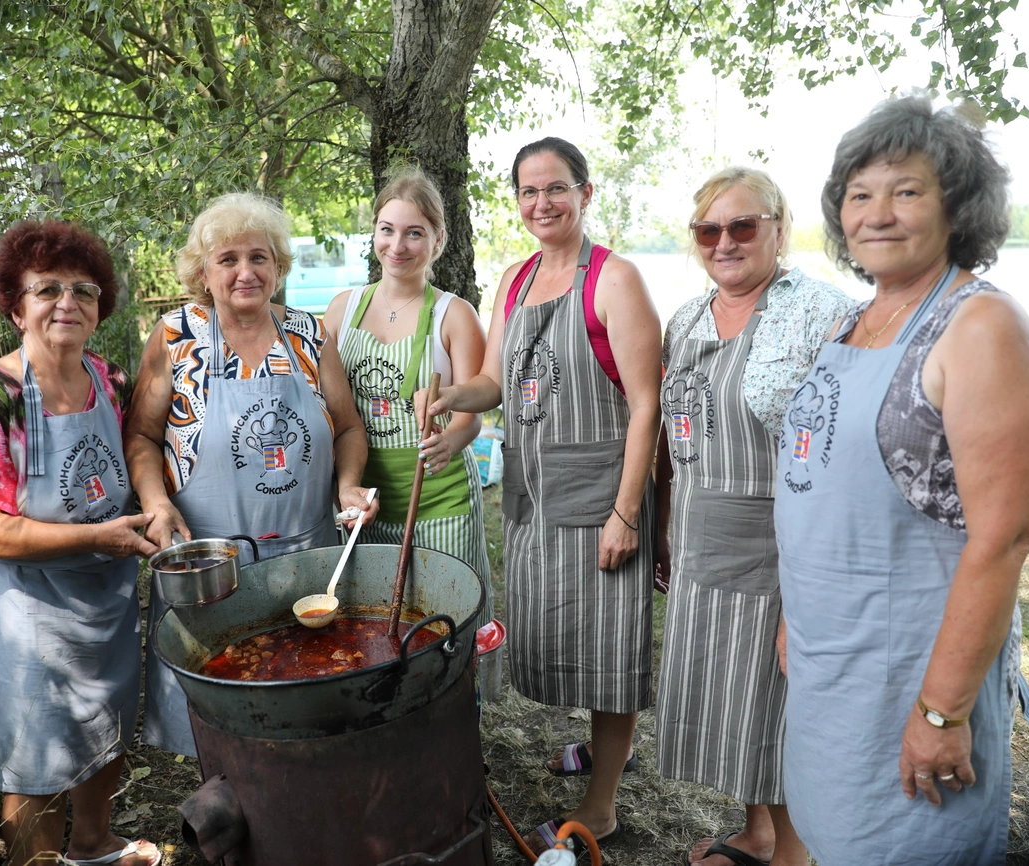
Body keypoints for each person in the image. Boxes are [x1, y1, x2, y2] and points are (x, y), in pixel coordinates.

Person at [773, 94, 1029, 865]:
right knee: (830, 834)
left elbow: (1003, 538)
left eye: (906, 191)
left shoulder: (980, 327)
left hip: (909, 673)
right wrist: (794, 617)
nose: (877, 213)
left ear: (955, 205)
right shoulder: (856, 321)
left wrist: (941, 713)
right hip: (831, 665)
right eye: (859, 194)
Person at [424, 137, 661, 850]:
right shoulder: (515, 279)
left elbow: (646, 404)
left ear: (585, 194)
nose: (542, 203)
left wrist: (626, 512)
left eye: (556, 188)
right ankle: (599, 751)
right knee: (570, 641)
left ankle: (604, 800)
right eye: (529, 192)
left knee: (611, 652)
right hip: (536, 499)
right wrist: (449, 393)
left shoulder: (615, 280)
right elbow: (493, 382)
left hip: (601, 503)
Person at [0, 220, 160, 866]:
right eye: (47, 290)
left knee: (105, 721)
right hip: (21, 604)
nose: (68, 302)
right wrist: (97, 535)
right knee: (33, 752)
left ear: (100, 309)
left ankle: (94, 844)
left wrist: (152, 508)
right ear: (16, 308)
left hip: (101, 591)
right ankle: (35, 861)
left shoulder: (111, 383)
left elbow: (140, 455)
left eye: (84, 291)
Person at [125, 192, 377, 758]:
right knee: (219, 726)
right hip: (209, 568)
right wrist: (154, 502)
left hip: (307, 565)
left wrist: (347, 485)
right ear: (203, 273)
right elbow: (140, 435)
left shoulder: (311, 336)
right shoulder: (174, 338)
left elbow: (347, 429)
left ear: (278, 267)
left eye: (259, 257)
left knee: (303, 715)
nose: (246, 272)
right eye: (228, 259)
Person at [654, 167, 852, 866]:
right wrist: (660, 528)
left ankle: (795, 855)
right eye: (709, 229)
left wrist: (811, 593)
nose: (725, 242)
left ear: (778, 229)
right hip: (703, 545)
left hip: (779, 552)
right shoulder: (686, 319)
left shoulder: (822, 314)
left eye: (743, 226)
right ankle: (757, 832)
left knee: (778, 712)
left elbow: (836, 456)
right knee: (733, 705)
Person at [324, 167, 492, 622]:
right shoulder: (342, 309)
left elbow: (472, 413)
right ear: (374, 231)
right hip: (363, 499)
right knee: (374, 620)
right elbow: (331, 408)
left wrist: (450, 441)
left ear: (437, 240)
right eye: (387, 230)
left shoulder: (454, 315)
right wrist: (344, 486)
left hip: (439, 498)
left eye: (414, 233)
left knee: (446, 619)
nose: (397, 247)